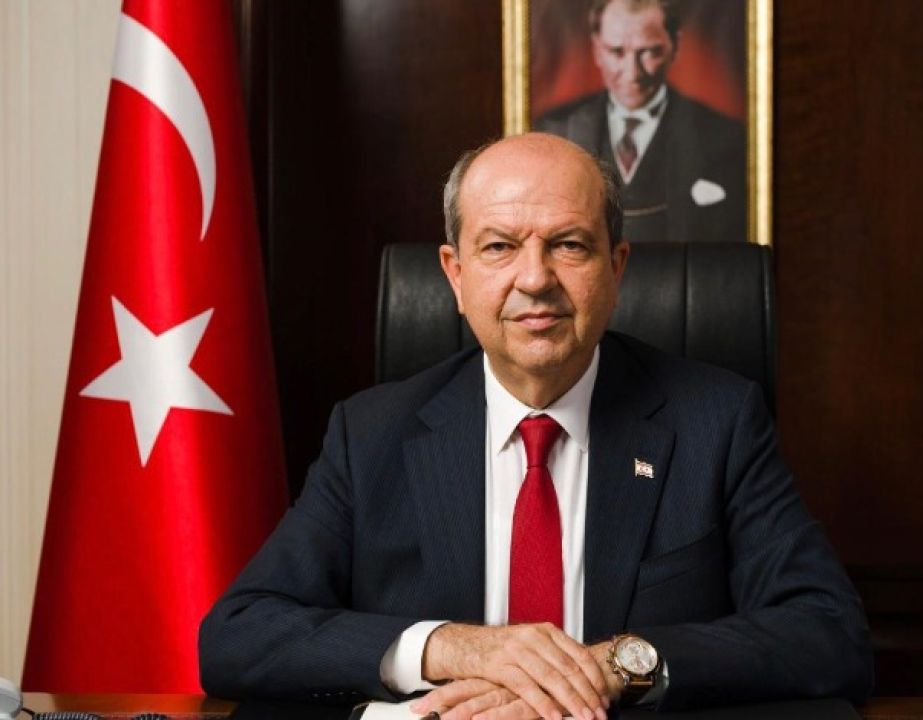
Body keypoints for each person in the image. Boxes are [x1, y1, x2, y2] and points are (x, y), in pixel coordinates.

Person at [199, 133, 871, 718]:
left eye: (569, 245)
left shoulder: (716, 422)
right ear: (455, 275)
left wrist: (614, 666)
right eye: (499, 246)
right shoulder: (371, 433)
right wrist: (452, 648)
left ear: (616, 267)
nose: (535, 278)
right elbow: (238, 636)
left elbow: (829, 631)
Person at [535, 0, 746, 244]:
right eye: (616, 52)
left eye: (649, 52)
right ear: (597, 50)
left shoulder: (723, 138)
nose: (633, 73)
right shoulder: (554, 131)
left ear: (674, 47)